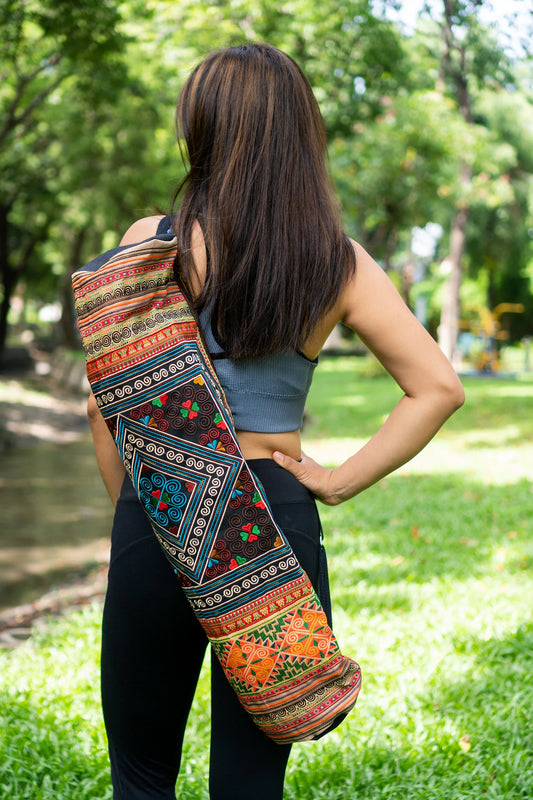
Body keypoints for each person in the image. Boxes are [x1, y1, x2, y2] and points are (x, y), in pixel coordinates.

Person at [86, 42, 464, 800]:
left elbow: (106, 402)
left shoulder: (148, 242)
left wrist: (144, 512)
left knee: (142, 773)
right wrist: (335, 481)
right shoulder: (335, 260)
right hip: (276, 513)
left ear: (202, 126)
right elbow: (437, 387)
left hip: (163, 510)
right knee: (250, 783)